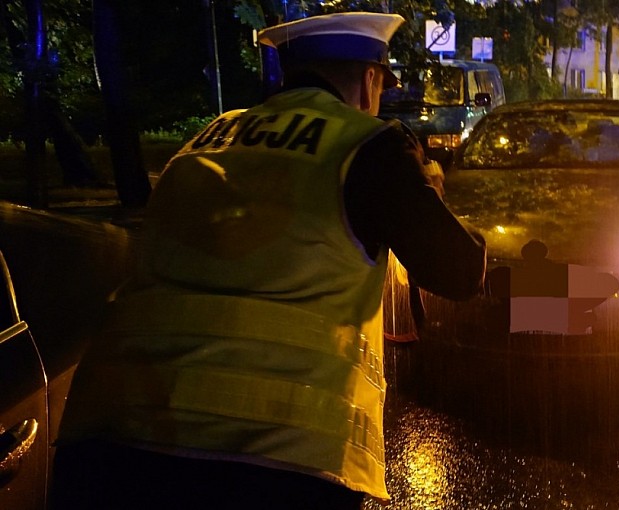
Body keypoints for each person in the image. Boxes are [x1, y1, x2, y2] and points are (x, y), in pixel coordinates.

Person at [50, 11, 486, 510]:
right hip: (266, 461)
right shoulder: (366, 145)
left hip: (109, 441)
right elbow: (459, 271)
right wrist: (427, 191)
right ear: (370, 81)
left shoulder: (208, 138)